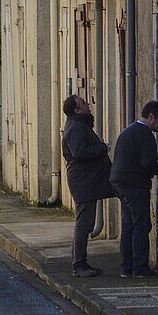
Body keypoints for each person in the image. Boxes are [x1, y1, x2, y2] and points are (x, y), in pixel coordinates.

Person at [111, 101, 158, 278]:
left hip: (121, 183)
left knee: (129, 225)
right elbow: (148, 163)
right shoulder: (145, 134)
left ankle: (126, 267)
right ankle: (140, 267)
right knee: (141, 225)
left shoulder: (129, 131)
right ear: (151, 117)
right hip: (134, 185)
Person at [61, 95, 115, 278]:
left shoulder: (78, 124)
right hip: (84, 181)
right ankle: (79, 264)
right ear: (77, 110)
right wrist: (103, 148)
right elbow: (80, 153)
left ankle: (81, 263)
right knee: (84, 223)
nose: (87, 105)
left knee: (85, 222)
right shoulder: (75, 127)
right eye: (83, 104)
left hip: (89, 179)